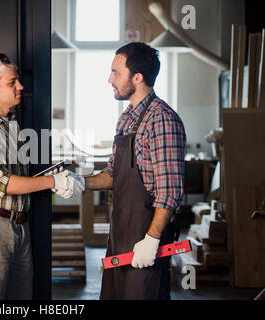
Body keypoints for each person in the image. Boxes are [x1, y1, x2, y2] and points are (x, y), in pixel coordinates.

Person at [68, 42, 186, 299]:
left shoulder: (162, 119)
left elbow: (171, 192)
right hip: (120, 235)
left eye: (115, 72)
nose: (109, 79)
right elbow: (113, 174)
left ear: (138, 77)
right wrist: (80, 182)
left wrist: (152, 240)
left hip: (146, 239)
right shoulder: (127, 118)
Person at [0, 53, 84, 300]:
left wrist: (58, 175)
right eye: (12, 82)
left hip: (20, 228)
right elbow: (0, 182)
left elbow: (20, 176)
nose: (21, 87)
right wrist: (52, 182)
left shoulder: (12, 126)